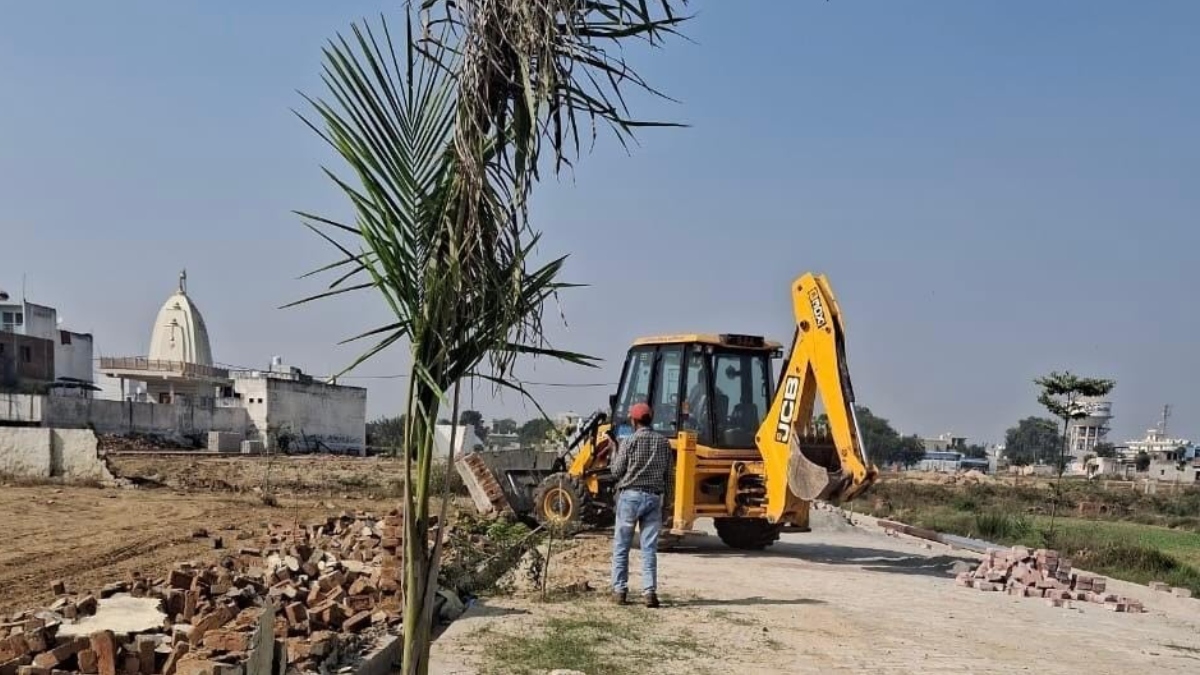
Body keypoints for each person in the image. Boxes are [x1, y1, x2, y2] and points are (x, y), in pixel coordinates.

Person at [609, 401, 674, 608]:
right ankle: (649, 592)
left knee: (622, 546)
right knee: (649, 548)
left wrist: (614, 450)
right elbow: (669, 477)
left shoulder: (629, 441)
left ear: (633, 421)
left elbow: (616, 472)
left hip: (630, 497)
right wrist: (668, 503)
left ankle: (620, 591)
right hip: (654, 498)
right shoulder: (663, 443)